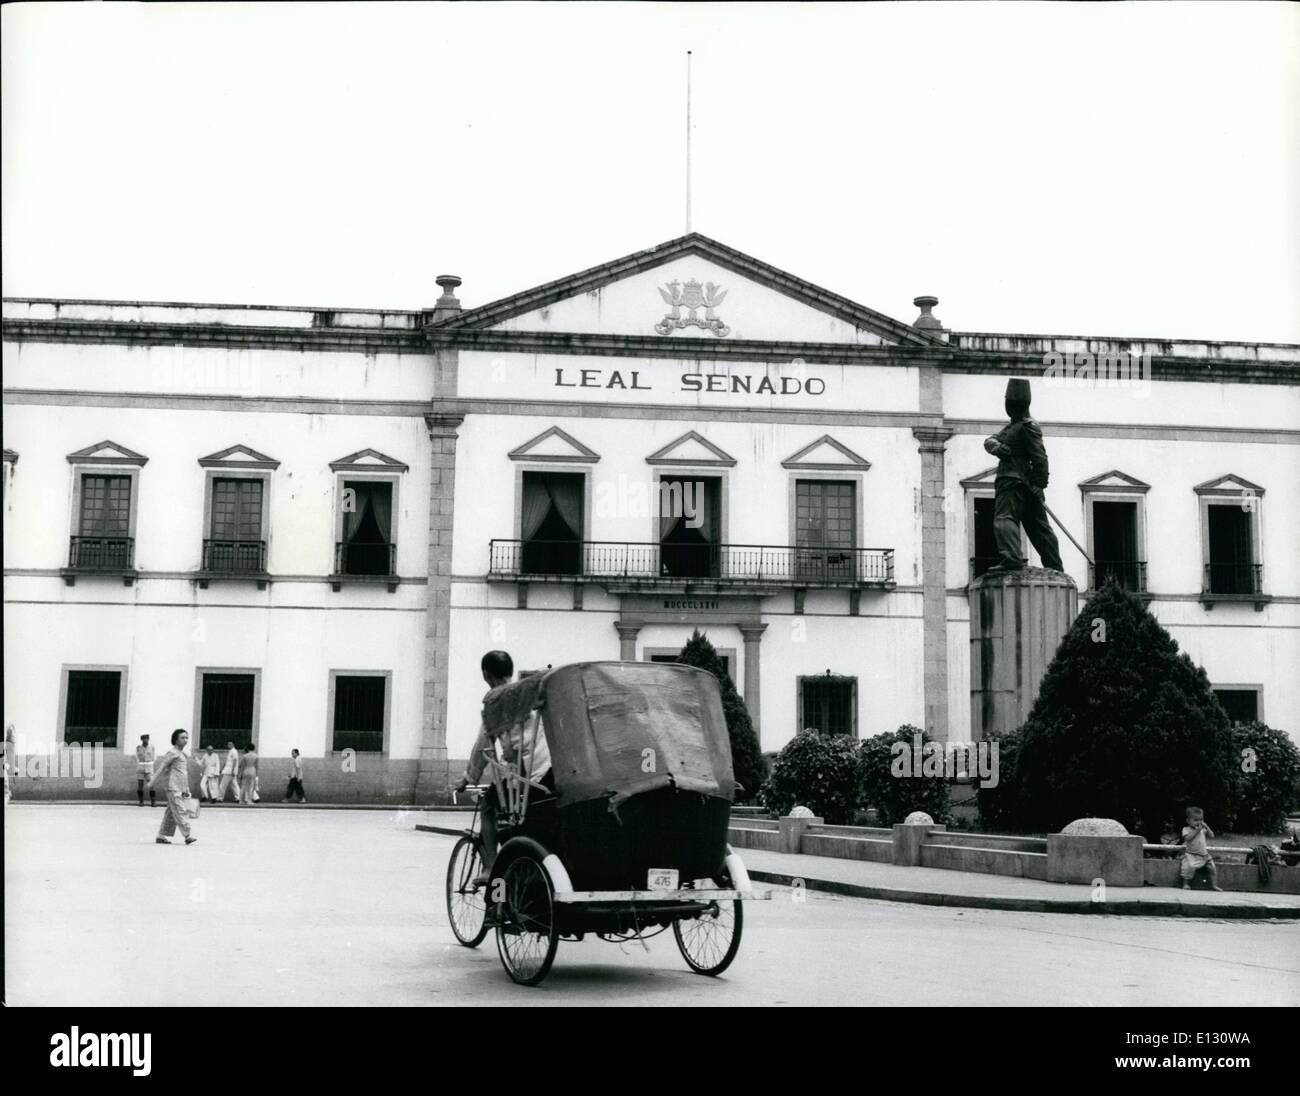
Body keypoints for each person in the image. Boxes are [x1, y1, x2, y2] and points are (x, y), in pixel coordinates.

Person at [454, 651, 553, 882]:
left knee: (488, 804)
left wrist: (468, 778)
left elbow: (483, 747)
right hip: (549, 771)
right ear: (510, 671)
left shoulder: (496, 701)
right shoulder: (529, 693)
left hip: (526, 777)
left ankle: (490, 868)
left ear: (486, 675)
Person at [983, 377, 1063, 573]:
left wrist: (1040, 484)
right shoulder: (1013, 427)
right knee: (1038, 527)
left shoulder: (1028, 426)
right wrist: (997, 447)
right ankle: (1054, 565)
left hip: (1014, 483)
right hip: (1022, 483)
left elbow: (1040, 458)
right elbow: (989, 440)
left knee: (1005, 519)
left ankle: (1012, 559)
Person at [151, 729, 197, 845]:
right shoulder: (173, 753)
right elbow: (163, 766)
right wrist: (152, 781)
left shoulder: (182, 754)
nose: (185, 740)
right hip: (173, 787)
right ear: (176, 740)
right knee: (180, 810)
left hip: (180, 787)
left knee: (171, 812)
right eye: (182, 738)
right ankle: (187, 835)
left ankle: (161, 836)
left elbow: (183, 773)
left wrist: (186, 789)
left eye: (186, 737)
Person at [1180, 806, 1222, 891]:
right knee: (1189, 867)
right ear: (1188, 821)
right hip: (1192, 855)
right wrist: (1197, 830)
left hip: (1204, 855)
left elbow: (1212, 836)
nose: (1198, 822)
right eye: (1195, 820)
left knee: (1212, 868)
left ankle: (1214, 885)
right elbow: (1187, 838)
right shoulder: (1186, 829)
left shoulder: (1203, 830)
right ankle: (1185, 884)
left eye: (1201, 820)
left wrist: (1207, 827)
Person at [135, 735, 157, 807]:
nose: (145, 740)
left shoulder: (152, 747)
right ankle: (141, 802)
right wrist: (139, 764)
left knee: (151, 785)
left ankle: (153, 802)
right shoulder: (138, 747)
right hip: (140, 768)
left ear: (148, 739)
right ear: (141, 739)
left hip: (149, 768)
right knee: (140, 785)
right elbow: (137, 757)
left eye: (147, 738)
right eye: (144, 739)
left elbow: (154, 757)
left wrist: (150, 764)